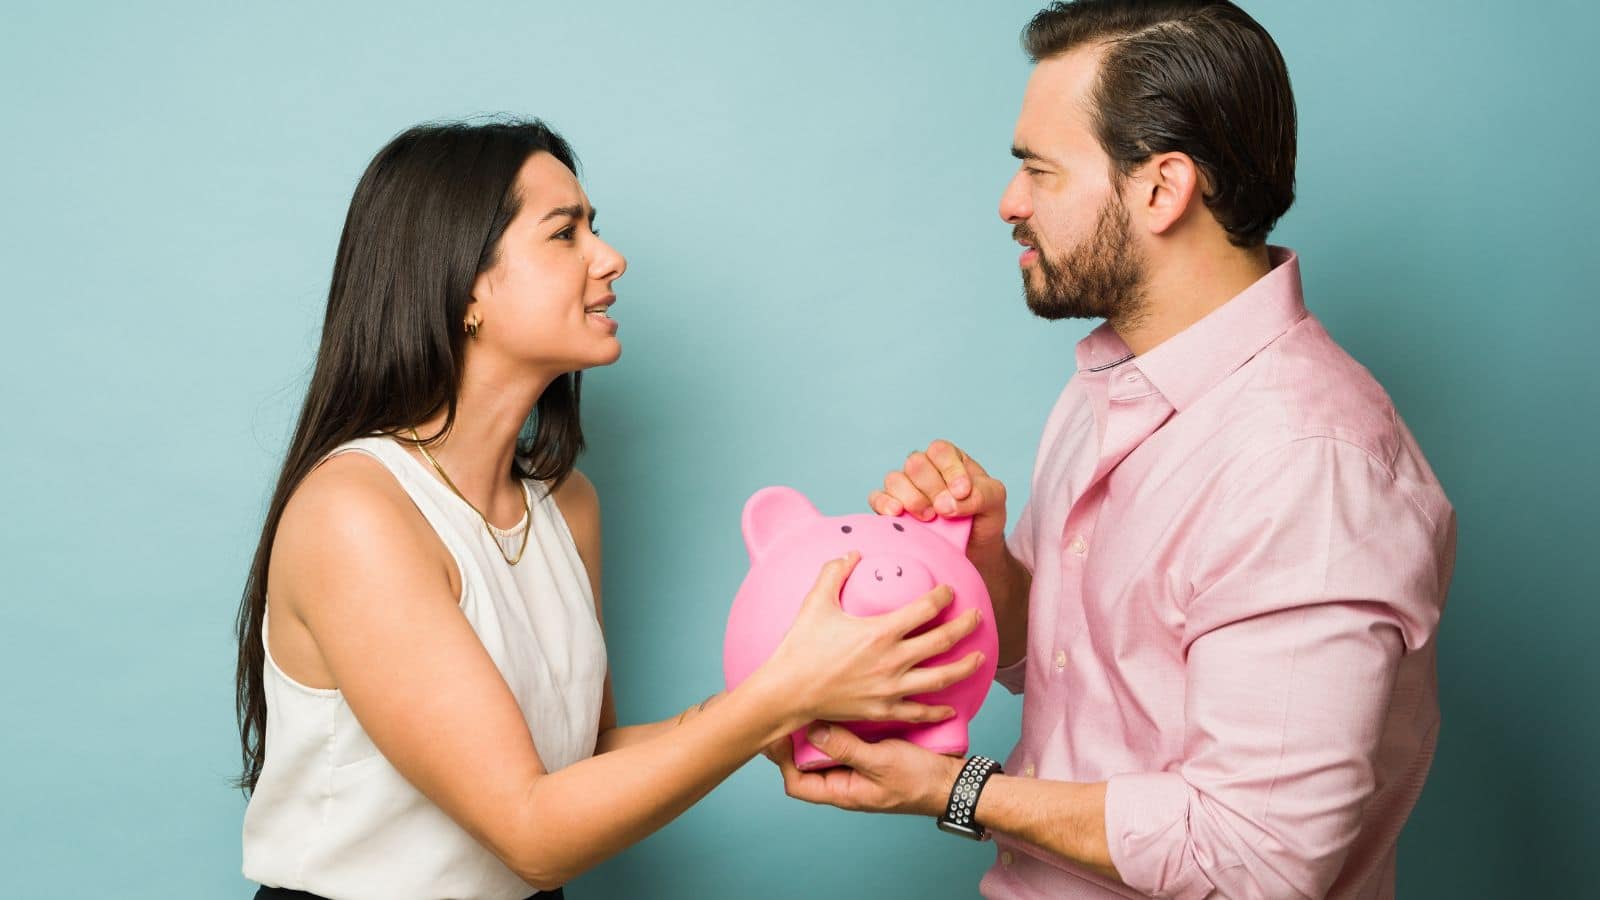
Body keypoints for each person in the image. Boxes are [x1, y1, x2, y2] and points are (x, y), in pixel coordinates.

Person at [768, 3, 1457, 898]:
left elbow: (1255, 856)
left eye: (1040, 171)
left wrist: (957, 789)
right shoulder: (1109, 381)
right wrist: (991, 575)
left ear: (1162, 189)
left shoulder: (1306, 466)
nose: (1010, 202)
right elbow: (1074, 669)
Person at [233, 119, 986, 900]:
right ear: (464, 290)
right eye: (566, 233)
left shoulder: (567, 504)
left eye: (596, 226)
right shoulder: (355, 511)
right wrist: (778, 698)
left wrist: (799, 704)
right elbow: (531, 831)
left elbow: (583, 759)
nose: (609, 257)